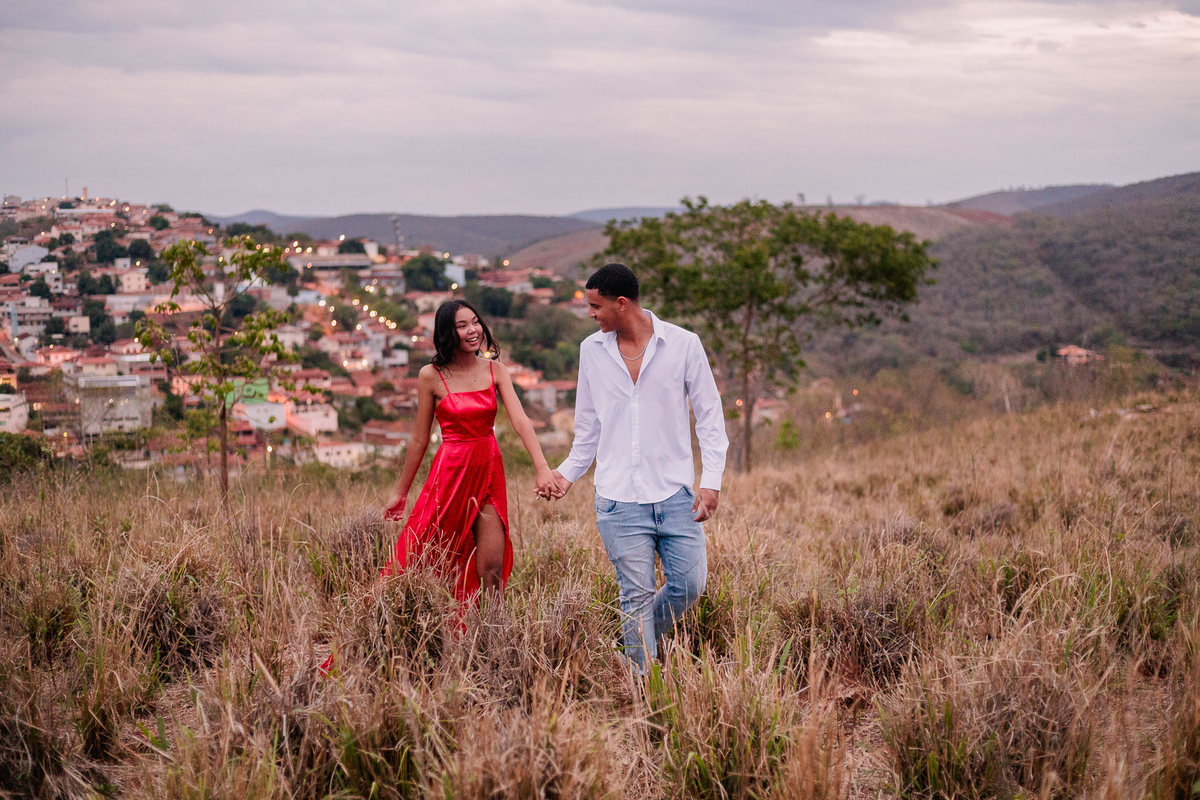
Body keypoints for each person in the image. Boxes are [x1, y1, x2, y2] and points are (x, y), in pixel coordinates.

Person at [549, 263, 728, 675]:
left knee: (689, 585)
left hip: (676, 494)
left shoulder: (684, 345)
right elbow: (588, 426)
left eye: (596, 306)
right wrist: (566, 475)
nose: (591, 314)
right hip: (618, 501)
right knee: (635, 596)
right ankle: (643, 689)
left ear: (622, 304)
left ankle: (635, 638)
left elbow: (710, 416)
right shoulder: (590, 352)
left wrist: (712, 482)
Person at [381, 298, 557, 604]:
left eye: (475, 322)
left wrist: (542, 467)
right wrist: (401, 492)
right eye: (462, 326)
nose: (472, 330)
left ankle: (493, 643)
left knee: (491, 568)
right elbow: (420, 439)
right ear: (448, 333)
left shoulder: (496, 370)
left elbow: (520, 420)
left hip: (488, 470)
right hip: (450, 475)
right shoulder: (430, 376)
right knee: (429, 559)